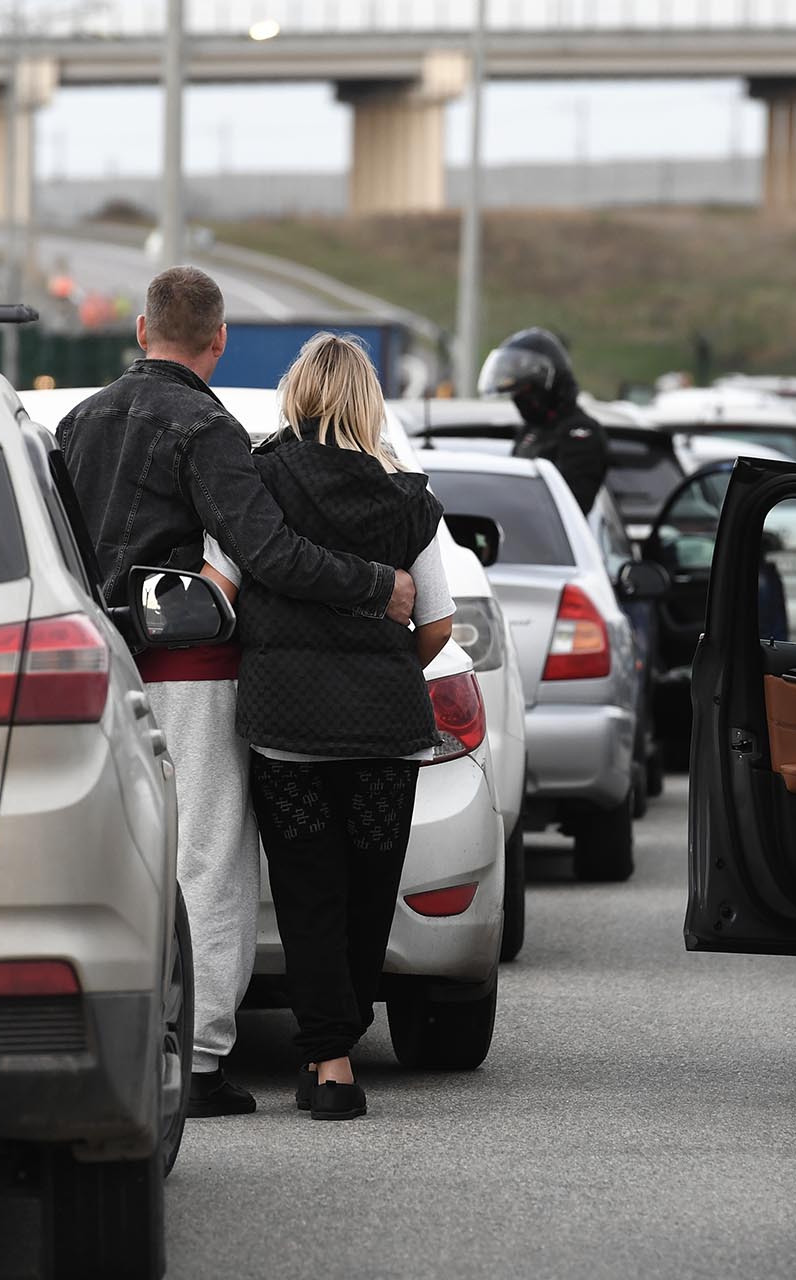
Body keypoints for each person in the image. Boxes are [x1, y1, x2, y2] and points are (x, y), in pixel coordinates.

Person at [57, 267, 417, 1119]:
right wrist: (378, 585)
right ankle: (202, 1056)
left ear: (142, 332)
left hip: (90, 667)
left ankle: (110, 1032)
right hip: (191, 673)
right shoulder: (206, 426)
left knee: (111, 853)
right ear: (217, 343)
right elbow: (270, 554)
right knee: (208, 860)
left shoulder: (75, 422)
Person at [201, 333, 452, 1122]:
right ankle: (338, 1045)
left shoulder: (258, 482)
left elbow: (222, 589)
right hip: (385, 728)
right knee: (369, 894)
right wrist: (383, 660)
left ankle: (331, 1061)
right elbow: (438, 624)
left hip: (288, 728)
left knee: (309, 889)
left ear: (299, 393)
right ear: (368, 400)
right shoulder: (408, 495)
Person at [479, 326, 608, 514]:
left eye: (525, 392)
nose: (519, 400)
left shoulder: (580, 432)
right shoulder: (531, 430)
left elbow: (571, 506)